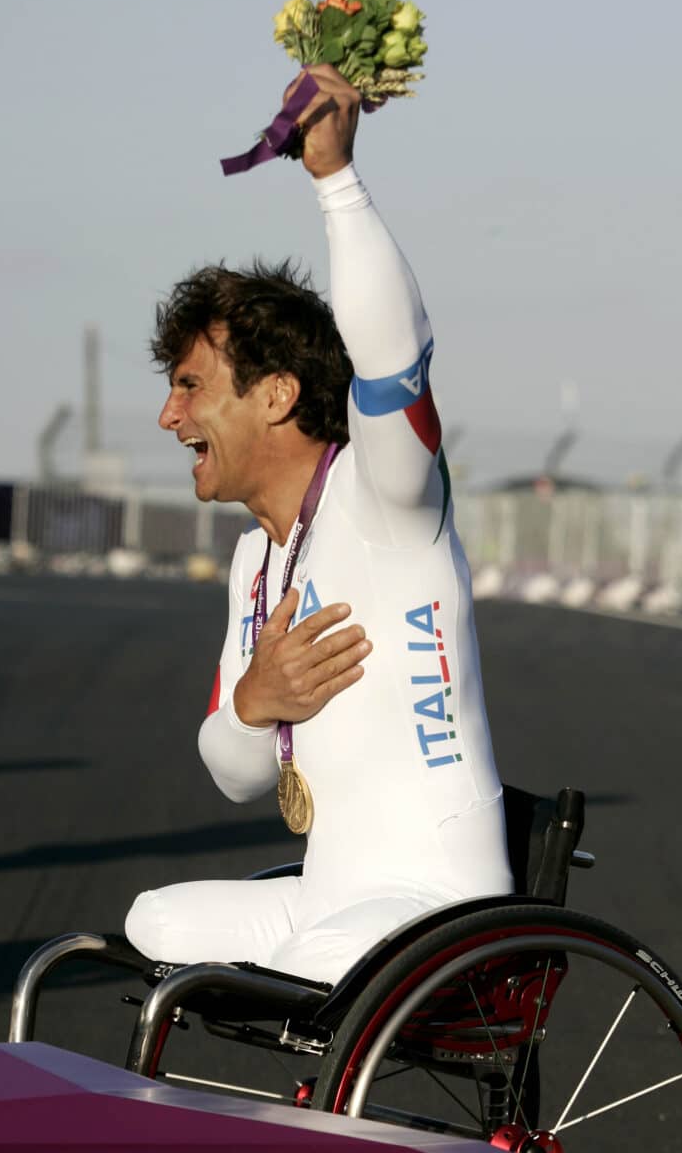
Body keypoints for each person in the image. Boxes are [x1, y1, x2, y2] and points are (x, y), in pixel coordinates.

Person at [125, 65, 513, 987]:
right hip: (331, 897)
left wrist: (333, 179)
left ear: (277, 395)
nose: (168, 419)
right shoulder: (257, 557)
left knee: (310, 964)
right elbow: (234, 771)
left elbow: (393, 360)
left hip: (435, 904)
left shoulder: (388, 495)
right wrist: (258, 699)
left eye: (189, 387)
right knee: (151, 922)